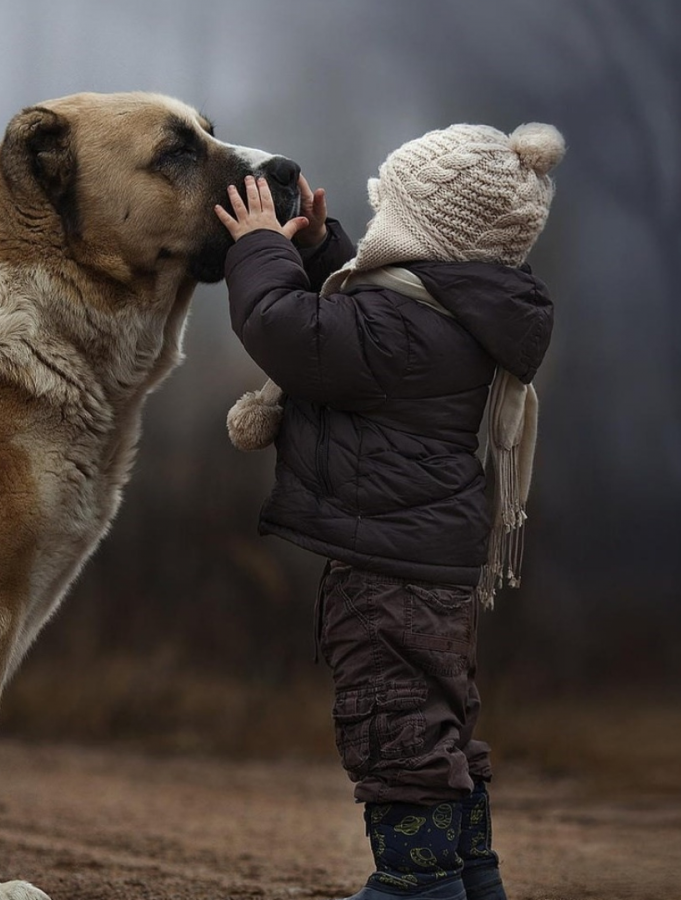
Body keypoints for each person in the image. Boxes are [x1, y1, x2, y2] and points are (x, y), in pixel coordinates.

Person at [212, 123, 565, 900]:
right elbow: (366, 320)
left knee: (395, 734)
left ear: (422, 230)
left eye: (387, 212)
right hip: (432, 568)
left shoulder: (398, 331)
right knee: (437, 730)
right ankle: (471, 880)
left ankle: (414, 886)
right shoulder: (456, 313)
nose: (376, 229)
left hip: (384, 581)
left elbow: (286, 328)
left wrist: (260, 247)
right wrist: (313, 249)